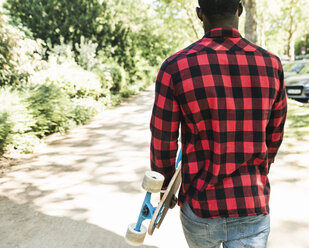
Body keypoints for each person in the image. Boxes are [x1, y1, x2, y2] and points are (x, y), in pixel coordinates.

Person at [150, 0, 287, 247]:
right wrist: (258, 169)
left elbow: (163, 141)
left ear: (199, 14)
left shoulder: (176, 67)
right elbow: (274, 135)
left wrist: (164, 188)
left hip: (201, 205)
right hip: (251, 202)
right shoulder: (271, 64)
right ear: (240, 9)